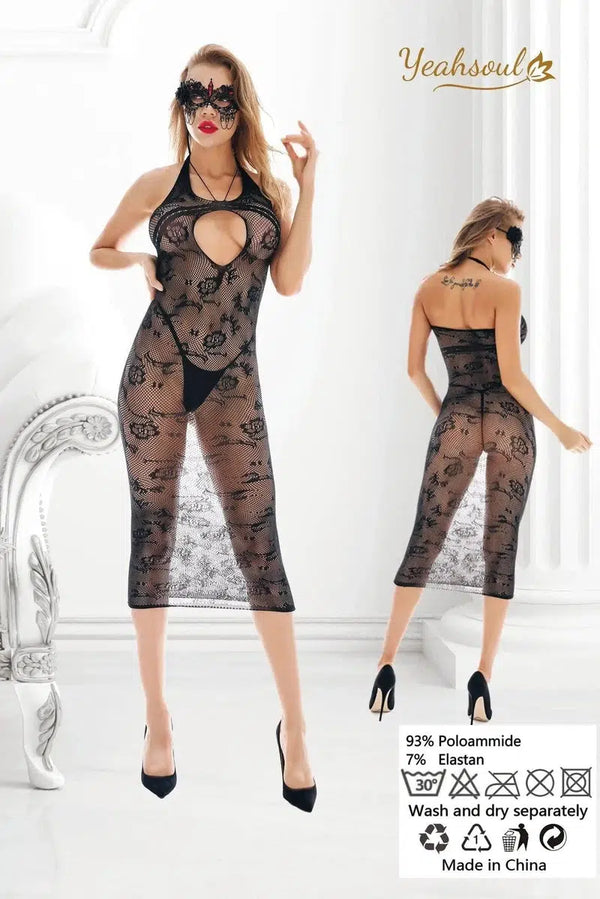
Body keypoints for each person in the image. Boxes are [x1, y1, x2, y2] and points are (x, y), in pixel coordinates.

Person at [90, 44, 318, 810]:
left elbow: (289, 281)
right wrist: (136, 263)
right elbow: (100, 247)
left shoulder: (268, 191)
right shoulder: (158, 184)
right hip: (154, 373)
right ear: (182, 102)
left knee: (260, 543)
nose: (207, 107)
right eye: (195, 93)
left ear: (238, 104)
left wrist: (310, 185)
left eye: (221, 95)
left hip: (233, 381)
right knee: (153, 534)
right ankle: (157, 719)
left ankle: (295, 726)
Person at [368, 198, 591, 724]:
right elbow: (511, 377)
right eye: (515, 239)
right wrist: (560, 427)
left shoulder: (428, 288)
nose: (517, 253)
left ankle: (385, 664)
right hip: (510, 422)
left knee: (426, 536)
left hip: (459, 417)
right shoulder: (504, 291)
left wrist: (447, 417)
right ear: (491, 234)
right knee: (499, 544)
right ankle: (483, 677)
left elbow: (414, 370)